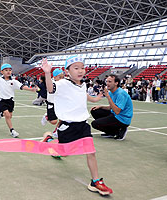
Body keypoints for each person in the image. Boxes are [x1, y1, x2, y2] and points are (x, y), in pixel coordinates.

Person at [41, 55, 113, 196]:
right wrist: (47, 73)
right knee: (64, 152)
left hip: (83, 124)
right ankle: (50, 140)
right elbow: (50, 89)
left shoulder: (83, 84)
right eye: (76, 68)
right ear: (67, 71)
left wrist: (95, 99)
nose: (80, 71)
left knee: (91, 152)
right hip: (68, 126)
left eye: (82, 68)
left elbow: (83, 95)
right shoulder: (62, 83)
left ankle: (95, 181)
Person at [0, 63, 38, 138]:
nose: (8, 72)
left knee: (9, 115)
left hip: (10, 101)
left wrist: (31, 89)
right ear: (2, 72)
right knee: (7, 114)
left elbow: (22, 87)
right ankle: (12, 130)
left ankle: (1, 114)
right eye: (6, 70)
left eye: (10, 70)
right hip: (2, 100)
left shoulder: (14, 81)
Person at [91, 74, 133, 140]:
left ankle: (119, 130)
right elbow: (111, 107)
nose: (107, 83)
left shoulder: (120, 94)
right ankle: (111, 132)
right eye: (107, 81)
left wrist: (107, 96)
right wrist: (101, 107)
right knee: (95, 111)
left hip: (122, 119)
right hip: (115, 114)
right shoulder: (111, 92)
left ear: (116, 83)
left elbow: (117, 111)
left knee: (95, 124)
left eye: (110, 82)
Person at [41, 68, 64, 137]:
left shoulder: (62, 83)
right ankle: (46, 116)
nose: (62, 79)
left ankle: (57, 131)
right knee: (54, 122)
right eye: (60, 77)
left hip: (60, 104)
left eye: (63, 77)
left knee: (63, 118)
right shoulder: (52, 83)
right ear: (55, 77)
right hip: (52, 104)